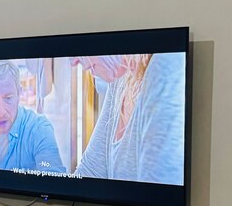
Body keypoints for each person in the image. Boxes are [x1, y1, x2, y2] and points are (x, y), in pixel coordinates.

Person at [72, 53, 186, 184]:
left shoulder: (166, 68)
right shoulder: (121, 76)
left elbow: (157, 192)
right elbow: (92, 170)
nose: (73, 62)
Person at [0, 60, 65, 172]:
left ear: (19, 94)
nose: (1, 112)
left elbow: (53, 175)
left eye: (8, 98)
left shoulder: (38, 128)